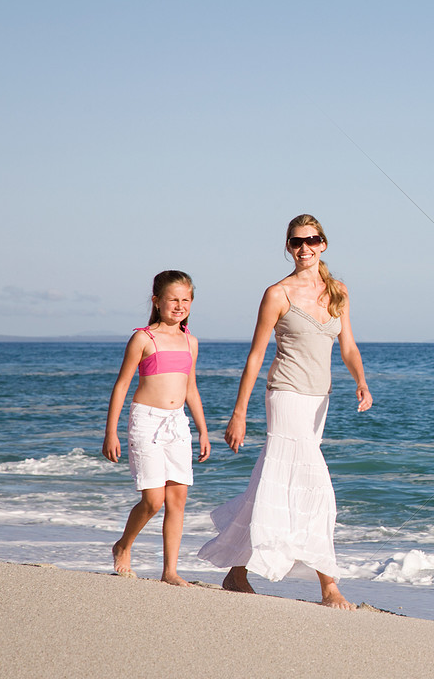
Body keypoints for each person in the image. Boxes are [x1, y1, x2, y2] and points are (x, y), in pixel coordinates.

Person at [198, 214, 372, 610]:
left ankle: (236, 571)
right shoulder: (278, 293)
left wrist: (361, 381)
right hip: (286, 395)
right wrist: (239, 412)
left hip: (319, 401)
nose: (304, 248)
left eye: (311, 240)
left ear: (323, 243)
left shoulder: (338, 291)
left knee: (271, 483)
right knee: (318, 489)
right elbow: (256, 355)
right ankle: (329, 586)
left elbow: (348, 346)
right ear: (288, 247)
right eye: (296, 242)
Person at [103, 270, 211, 586]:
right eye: (173, 299)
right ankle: (123, 545)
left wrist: (203, 430)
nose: (179, 306)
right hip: (145, 421)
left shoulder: (191, 342)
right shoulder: (143, 338)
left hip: (178, 424)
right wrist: (111, 431)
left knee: (177, 499)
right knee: (153, 500)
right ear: (157, 301)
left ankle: (170, 572)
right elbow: (122, 385)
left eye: (185, 300)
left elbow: (191, 387)